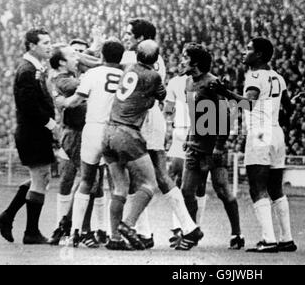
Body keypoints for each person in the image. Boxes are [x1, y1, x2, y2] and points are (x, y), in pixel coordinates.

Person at [103, 40, 203, 251]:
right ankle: (130, 226)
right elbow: (160, 98)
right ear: (156, 58)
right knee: (152, 183)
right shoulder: (156, 75)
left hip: (108, 131)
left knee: (121, 187)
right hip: (130, 133)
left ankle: (115, 237)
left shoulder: (128, 67)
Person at [212, 37, 297, 253]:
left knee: (257, 187)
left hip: (260, 133)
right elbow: (289, 107)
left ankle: (268, 240)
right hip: (277, 132)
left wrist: (225, 93)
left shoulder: (254, 76)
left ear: (258, 55)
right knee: (276, 188)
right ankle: (286, 238)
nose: (243, 52)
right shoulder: (278, 77)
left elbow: (248, 103)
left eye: (248, 49)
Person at [58, 40, 125, 247]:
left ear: (102, 56)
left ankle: (75, 232)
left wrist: (61, 102)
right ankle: (113, 233)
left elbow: (76, 101)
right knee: (116, 183)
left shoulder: (92, 75)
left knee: (87, 180)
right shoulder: (125, 76)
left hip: (94, 129)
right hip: (114, 130)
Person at [180, 43, 244, 250]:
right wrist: (189, 137)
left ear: (195, 62)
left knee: (223, 190)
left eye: (184, 57)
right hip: (195, 146)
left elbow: (226, 115)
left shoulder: (212, 83)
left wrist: (219, 146)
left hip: (212, 148)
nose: (181, 60)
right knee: (187, 191)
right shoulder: (188, 82)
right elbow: (194, 114)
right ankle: (192, 232)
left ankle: (237, 234)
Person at [0, 28, 55, 245]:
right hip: (32, 133)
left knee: (41, 178)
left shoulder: (34, 67)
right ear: (32, 46)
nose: (49, 46)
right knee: (40, 179)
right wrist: (51, 124)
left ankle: (7, 216)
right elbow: (27, 105)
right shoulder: (27, 70)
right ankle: (31, 232)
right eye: (45, 42)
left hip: (35, 132)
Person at [48, 44, 107, 247]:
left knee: (92, 180)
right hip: (75, 134)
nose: (78, 58)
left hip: (85, 132)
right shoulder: (62, 79)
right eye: (73, 55)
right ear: (62, 62)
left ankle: (66, 225)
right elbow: (85, 84)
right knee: (90, 180)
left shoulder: (70, 75)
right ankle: (83, 230)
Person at [164, 74, 209, 243]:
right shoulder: (175, 81)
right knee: (176, 177)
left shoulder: (207, 81)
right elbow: (168, 109)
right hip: (180, 132)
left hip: (200, 133)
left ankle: (195, 225)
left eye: (186, 57)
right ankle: (178, 227)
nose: (183, 61)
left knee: (199, 185)